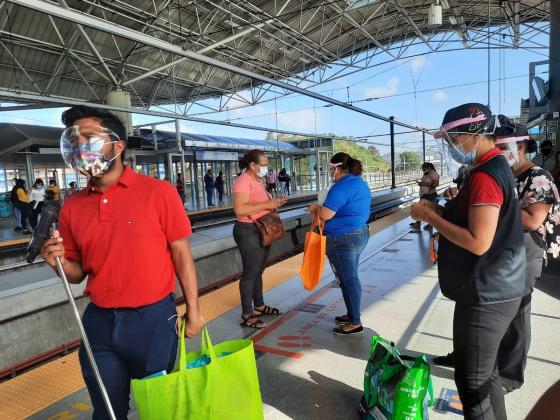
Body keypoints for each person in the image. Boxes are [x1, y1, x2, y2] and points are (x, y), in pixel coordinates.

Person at [40, 105, 204, 420]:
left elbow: (181, 253)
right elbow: (76, 275)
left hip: (153, 320)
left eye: (88, 137)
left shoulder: (158, 192)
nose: (79, 147)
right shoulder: (73, 208)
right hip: (99, 324)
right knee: (106, 410)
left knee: (159, 407)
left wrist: (194, 310)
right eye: (74, 141)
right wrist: (56, 261)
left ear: (117, 146)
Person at [411, 103, 526, 419]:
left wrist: (428, 217)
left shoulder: (485, 175)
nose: (450, 146)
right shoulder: (495, 167)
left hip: (487, 294)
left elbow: (478, 242)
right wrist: (444, 211)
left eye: (453, 138)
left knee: (471, 382)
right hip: (496, 287)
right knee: (485, 375)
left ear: (472, 135)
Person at [308, 152, 371, 335]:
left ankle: (354, 322)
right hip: (359, 233)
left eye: (330, 169)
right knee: (350, 278)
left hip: (343, 238)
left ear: (336, 168)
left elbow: (326, 214)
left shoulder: (341, 186)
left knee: (347, 280)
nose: (330, 172)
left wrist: (315, 208)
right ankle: (352, 313)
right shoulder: (358, 182)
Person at [233, 149, 287, 329]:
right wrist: (267, 204)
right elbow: (240, 210)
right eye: (263, 165)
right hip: (248, 230)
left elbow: (259, 205)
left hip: (261, 229)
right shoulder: (243, 181)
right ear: (252, 165)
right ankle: (247, 314)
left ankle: (259, 305)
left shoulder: (257, 180)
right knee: (250, 274)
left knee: (258, 270)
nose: (266, 168)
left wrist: (274, 204)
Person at [410, 162, 440, 230]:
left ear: (429, 167)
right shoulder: (427, 174)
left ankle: (428, 224)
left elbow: (436, 184)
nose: (422, 169)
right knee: (423, 209)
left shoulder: (433, 174)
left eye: (424, 167)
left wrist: (424, 184)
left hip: (430, 194)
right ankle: (418, 223)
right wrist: (421, 184)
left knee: (428, 210)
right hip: (424, 194)